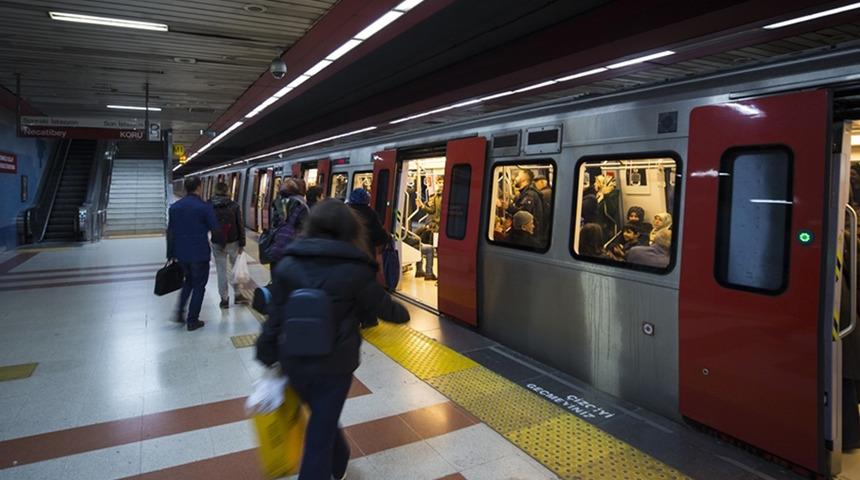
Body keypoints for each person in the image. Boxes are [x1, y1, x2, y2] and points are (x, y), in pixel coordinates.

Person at [255, 200, 410, 480]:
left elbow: (275, 317)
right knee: (319, 435)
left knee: (322, 418)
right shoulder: (357, 268)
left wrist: (266, 353)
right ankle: (330, 466)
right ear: (350, 229)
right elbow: (386, 309)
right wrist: (402, 313)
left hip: (295, 363)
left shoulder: (288, 264)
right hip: (335, 367)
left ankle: (340, 460)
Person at [166, 176, 219, 331]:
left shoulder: (175, 207)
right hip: (199, 253)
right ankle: (192, 320)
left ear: (185, 188)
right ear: (199, 187)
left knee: (188, 282)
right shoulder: (204, 207)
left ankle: (179, 313)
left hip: (181, 253)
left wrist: (170, 253)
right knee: (199, 286)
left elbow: (170, 232)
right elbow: (214, 227)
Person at [209, 182, 248, 308]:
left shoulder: (209, 204)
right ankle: (238, 295)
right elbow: (240, 225)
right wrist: (242, 243)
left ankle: (224, 299)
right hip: (233, 241)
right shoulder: (234, 205)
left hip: (217, 242)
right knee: (235, 269)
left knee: (221, 271)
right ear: (228, 191)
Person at [267, 179, 309, 266]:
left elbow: (274, 224)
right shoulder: (301, 205)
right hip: (292, 251)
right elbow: (305, 230)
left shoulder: (279, 203)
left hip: (276, 247)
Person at [499, 169, 545, 243]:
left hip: (529, 236)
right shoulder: (523, 194)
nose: (516, 178)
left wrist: (508, 207)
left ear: (524, 179)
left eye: (518, 176)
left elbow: (524, 214)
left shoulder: (529, 195)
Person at [415, 176, 443, 281]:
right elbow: (432, 211)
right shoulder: (436, 197)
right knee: (437, 250)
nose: (441, 184)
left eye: (442, 182)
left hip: (443, 228)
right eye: (439, 182)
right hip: (437, 229)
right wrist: (422, 206)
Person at [347, 188, 390, 255]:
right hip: (365, 255)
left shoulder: (344, 212)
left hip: (346, 252)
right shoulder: (371, 214)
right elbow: (379, 237)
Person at [594, 175, 621, 243]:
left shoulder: (611, 195)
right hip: (599, 223)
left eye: (597, 182)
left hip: (607, 226)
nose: (594, 184)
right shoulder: (598, 194)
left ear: (603, 183)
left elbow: (611, 210)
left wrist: (606, 195)